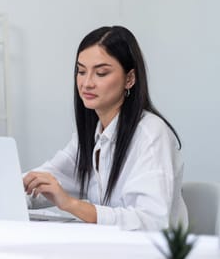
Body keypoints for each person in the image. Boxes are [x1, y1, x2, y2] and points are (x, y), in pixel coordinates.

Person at [23, 26, 187, 231]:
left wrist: (72, 204)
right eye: (81, 71)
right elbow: (46, 179)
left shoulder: (151, 133)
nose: (86, 83)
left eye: (100, 73)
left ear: (130, 79)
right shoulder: (92, 135)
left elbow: (151, 222)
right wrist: (4, 189)